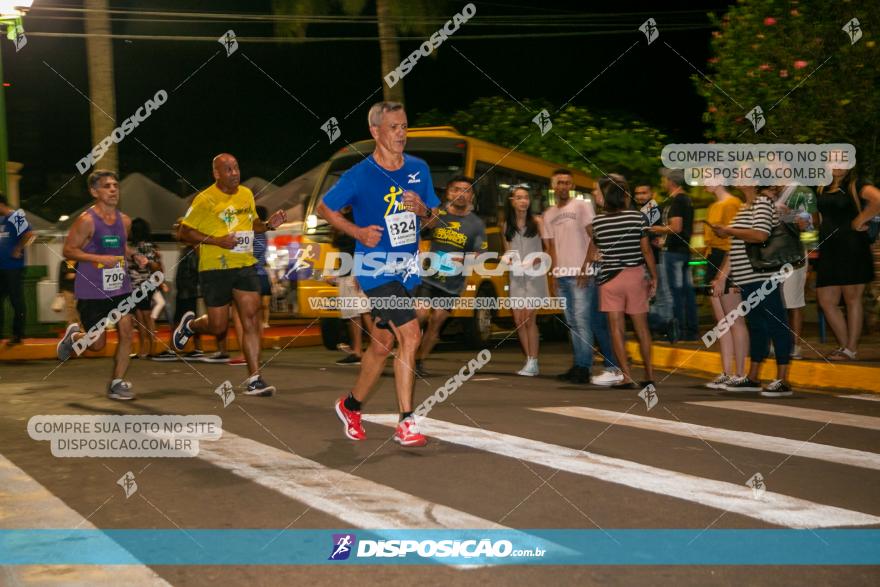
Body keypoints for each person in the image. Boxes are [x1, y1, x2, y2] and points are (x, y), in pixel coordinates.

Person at [317, 100, 440, 447]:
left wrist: (423, 209)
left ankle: (351, 405)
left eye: (404, 126)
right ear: (375, 131)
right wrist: (356, 232)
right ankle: (406, 422)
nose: (401, 133)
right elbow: (323, 207)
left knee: (383, 344)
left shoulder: (419, 168)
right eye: (393, 127)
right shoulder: (358, 174)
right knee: (411, 335)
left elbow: (432, 219)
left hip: (408, 271)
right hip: (375, 269)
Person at [172, 153, 287, 396]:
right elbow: (183, 232)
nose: (235, 173)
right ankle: (191, 326)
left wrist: (268, 225)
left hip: (244, 265)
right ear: (216, 173)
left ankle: (255, 378)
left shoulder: (246, 194)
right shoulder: (204, 199)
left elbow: (252, 223)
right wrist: (216, 240)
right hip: (215, 269)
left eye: (236, 168)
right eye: (228, 169)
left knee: (251, 319)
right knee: (218, 326)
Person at [56, 171, 137, 400]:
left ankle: (117, 383)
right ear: (94, 192)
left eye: (115, 185)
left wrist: (134, 256)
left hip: (120, 286)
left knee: (127, 332)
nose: (113, 190)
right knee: (97, 344)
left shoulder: (125, 221)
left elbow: (120, 248)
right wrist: (98, 259)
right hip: (92, 289)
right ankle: (74, 338)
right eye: (106, 186)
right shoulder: (86, 220)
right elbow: (68, 251)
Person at [708, 184, 792, 397]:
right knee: (757, 326)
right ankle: (753, 377)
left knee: (776, 323)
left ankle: (783, 379)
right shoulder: (746, 207)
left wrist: (727, 230)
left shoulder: (762, 204)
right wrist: (724, 276)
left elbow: (760, 235)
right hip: (747, 276)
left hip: (763, 275)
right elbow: (737, 245)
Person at [542, 169, 619, 385]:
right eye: (559, 183)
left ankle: (583, 367)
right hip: (562, 276)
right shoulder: (548, 214)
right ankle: (595, 364)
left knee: (581, 321)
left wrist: (586, 267)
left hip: (582, 274)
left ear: (572, 186)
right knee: (582, 322)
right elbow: (551, 249)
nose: (563, 186)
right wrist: (552, 275)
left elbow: (595, 237)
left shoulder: (581, 206)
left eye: (567, 183)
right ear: (553, 186)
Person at [587, 174, 657, 388]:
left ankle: (627, 376)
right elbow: (646, 251)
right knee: (641, 329)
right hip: (634, 275)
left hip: (609, 280)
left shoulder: (598, 221)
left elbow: (594, 254)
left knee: (616, 329)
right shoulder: (638, 218)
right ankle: (649, 376)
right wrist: (654, 277)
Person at [414, 175, 486, 377]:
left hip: (453, 284)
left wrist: (465, 260)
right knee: (419, 315)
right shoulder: (438, 215)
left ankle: (419, 360)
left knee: (436, 321)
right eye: (456, 189)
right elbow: (418, 231)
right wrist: (419, 249)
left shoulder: (476, 224)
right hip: (428, 277)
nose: (460, 194)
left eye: (466, 190)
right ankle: (405, 352)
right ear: (448, 192)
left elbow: (480, 253)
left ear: (471, 195)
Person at [815, 165, 879, 361]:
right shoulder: (821, 187)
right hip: (829, 248)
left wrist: (861, 219)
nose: (837, 166)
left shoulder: (856, 184)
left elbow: (877, 199)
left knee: (852, 298)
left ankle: (850, 349)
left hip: (852, 247)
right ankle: (844, 345)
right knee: (826, 299)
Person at [703, 184, 747, 389]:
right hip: (713, 258)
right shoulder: (714, 206)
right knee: (721, 322)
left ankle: (740, 372)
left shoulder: (733, 204)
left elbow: (735, 241)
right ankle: (726, 371)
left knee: (735, 320)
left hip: (729, 261)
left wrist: (723, 273)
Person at [502, 184, 549, 376]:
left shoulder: (537, 222)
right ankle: (529, 360)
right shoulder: (505, 225)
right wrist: (507, 259)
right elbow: (507, 251)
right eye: (519, 197)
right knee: (519, 320)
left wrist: (537, 259)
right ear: (512, 201)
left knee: (529, 318)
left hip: (535, 275)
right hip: (516, 276)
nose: (523, 201)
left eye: (526, 197)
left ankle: (534, 361)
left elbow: (547, 248)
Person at [651, 168, 697, 340]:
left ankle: (683, 331)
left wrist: (657, 229)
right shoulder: (682, 200)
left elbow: (676, 227)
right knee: (684, 291)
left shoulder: (679, 200)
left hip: (675, 254)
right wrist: (663, 240)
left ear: (671, 181)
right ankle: (688, 330)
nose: (662, 182)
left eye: (664, 179)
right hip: (679, 252)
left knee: (677, 293)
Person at [774, 183, 817, 360]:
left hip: (795, 255)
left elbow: (808, 226)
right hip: (772, 256)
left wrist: (813, 255)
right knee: (775, 302)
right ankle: (776, 343)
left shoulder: (802, 192)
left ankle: (795, 345)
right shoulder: (770, 191)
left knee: (794, 302)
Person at [229, 205, 274, 365]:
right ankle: (256, 352)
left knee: (240, 314)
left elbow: (247, 254)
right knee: (256, 318)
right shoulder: (264, 235)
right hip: (261, 275)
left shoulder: (252, 233)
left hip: (249, 275)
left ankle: (244, 352)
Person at [331, 206, 373, 366]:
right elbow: (343, 251)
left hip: (357, 271)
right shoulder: (338, 223)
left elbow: (364, 247)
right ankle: (357, 351)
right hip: (345, 271)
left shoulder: (357, 219)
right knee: (352, 314)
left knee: (365, 311)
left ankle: (376, 347)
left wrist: (360, 272)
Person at [635, 184, 677, 342]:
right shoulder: (642, 211)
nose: (640, 196)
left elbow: (652, 232)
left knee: (661, 294)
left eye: (644, 192)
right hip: (645, 260)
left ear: (651, 193)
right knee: (650, 296)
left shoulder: (652, 208)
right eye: (637, 193)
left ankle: (666, 327)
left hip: (655, 259)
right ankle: (656, 327)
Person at [0, 196, 36, 345]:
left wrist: (18, 248)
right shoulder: (1, 220)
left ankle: (18, 335)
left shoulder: (15, 216)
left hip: (13, 268)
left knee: (17, 301)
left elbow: (29, 234)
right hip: (1, 268)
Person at [127, 218, 163, 360]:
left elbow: (152, 265)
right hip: (141, 286)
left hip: (142, 285)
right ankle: (146, 348)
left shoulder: (143, 247)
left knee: (144, 318)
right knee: (141, 318)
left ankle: (150, 348)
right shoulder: (146, 246)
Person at [172, 240, 205, 361]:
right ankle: (196, 349)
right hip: (185, 290)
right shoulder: (188, 250)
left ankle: (176, 349)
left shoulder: (192, 251)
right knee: (187, 320)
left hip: (188, 291)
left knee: (187, 321)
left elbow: (194, 270)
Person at [56, 259, 80, 325]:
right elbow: (60, 277)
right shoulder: (64, 263)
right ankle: (71, 326)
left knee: (78, 308)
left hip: (79, 288)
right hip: (67, 289)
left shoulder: (80, 262)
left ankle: (80, 327)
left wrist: (74, 275)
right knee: (70, 308)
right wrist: (59, 291)